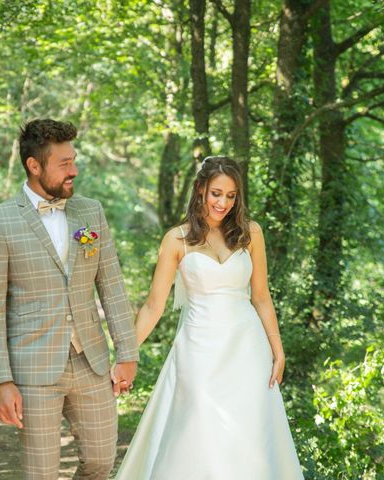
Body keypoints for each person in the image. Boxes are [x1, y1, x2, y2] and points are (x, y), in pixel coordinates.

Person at [116, 156, 303, 479]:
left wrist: (278, 350)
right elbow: (153, 307)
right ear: (200, 189)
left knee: (250, 437)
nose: (223, 203)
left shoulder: (251, 233)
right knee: (198, 427)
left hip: (247, 349)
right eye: (217, 193)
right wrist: (125, 355)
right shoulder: (177, 240)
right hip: (198, 349)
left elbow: (261, 296)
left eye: (231, 196)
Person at [0, 118, 139, 480]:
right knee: (41, 474)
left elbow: (111, 285)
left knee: (100, 462)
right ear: (34, 166)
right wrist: (1, 380)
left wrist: (127, 352)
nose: (74, 170)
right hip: (32, 369)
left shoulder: (89, 212)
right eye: (64, 164)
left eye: (73, 160)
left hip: (91, 363)